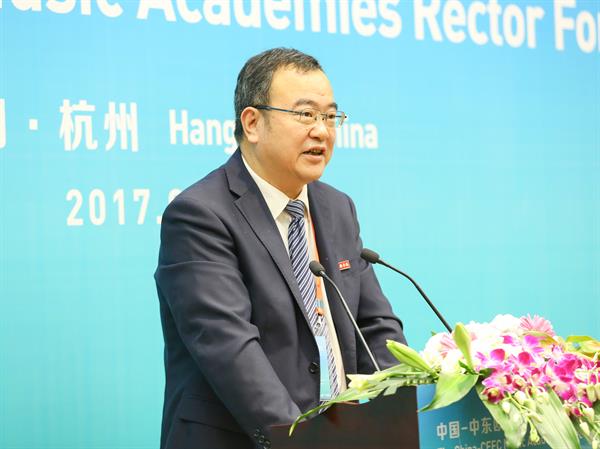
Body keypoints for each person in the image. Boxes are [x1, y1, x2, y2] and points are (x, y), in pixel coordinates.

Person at [154, 47, 406, 449]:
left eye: (330, 117)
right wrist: (308, 442)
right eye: (305, 115)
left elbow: (375, 328)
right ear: (252, 123)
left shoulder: (336, 207)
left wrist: (401, 416)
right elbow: (231, 352)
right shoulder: (200, 215)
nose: (322, 131)